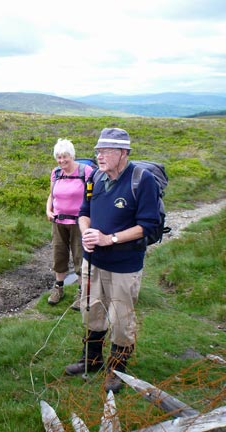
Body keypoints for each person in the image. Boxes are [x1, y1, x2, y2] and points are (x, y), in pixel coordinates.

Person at [64, 128, 160, 394]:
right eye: (98, 151)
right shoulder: (95, 177)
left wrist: (111, 239)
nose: (99, 156)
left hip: (124, 266)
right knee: (92, 310)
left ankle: (117, 370)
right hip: (93, 262)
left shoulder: (143, 180)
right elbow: (84, 212)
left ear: (123, 153)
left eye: (105, 151)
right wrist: (87, 234)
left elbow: (148, 226)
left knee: (121, 319)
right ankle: (92, 359)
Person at [45, 139, 94, 309]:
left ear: (72, 155)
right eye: (58, 157)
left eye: (64, 156)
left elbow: (93, 196)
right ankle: (58, 288)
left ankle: (82, 292)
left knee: (79, 256)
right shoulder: (56, 172)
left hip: (78, 222)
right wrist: (48, 210)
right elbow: (52, 195)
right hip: (58, 221)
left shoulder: (86, 171)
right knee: (59, 254)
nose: (61, 160)